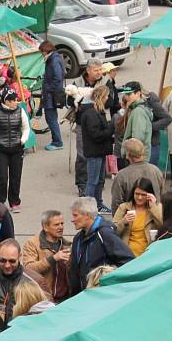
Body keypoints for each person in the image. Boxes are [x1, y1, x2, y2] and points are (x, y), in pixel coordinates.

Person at [69, 196, 135, 295]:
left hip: (103, 296)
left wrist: (108, 281)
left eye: (75, 215)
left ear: (87, 215)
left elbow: (129, 261)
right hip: (83, 297)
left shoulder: (105, 234)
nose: (72, 220)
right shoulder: (78, 239)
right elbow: (74, 272)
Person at [0, 239, 50, 322]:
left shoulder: (36, 280)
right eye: (3, 260)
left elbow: (48, 311)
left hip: (23, 330)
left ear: (20, 256)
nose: (7, 265)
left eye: (12, 261)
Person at [69, 58, 108, 196]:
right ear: (88, 70)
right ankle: (82, 184)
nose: (99, 73)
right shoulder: (77, 83)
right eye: (96, 70)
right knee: (82, 154)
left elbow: (112, 100)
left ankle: (98, 184)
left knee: (100, 154)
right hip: (82, 123)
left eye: (100, 69)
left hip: (100, 122)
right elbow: (68, 101)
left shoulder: (105, 82)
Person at [0, 88, 29, 211]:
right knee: (2, 177)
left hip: (17, 148)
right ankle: (0, 201)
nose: (15, 102)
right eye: (12, 100)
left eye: (16, 100)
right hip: (1, 149)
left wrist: (22, 140)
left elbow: (26, 128)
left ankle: (14, 201)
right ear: (5, 101)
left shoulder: (21, 111)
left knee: (16, 176)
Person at [22, 210, 72, 303]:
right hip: (42, 300)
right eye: (56, 225)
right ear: (45, 227)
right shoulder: (32, 244)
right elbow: (28, 269)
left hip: (64, 299)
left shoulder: (67, 245)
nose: (61, 227)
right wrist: (53, 259)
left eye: (62, 223)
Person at [79, 85, 114, 213]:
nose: (108, 98)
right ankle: (87, 207)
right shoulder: (91, 113)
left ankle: (98, 203)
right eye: (107, 96)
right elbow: (95, 134)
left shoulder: (97, 111)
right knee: (93, 181)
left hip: (100, 151)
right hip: (94, 152)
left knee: (99, 180)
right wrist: (110, 130)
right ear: (102, 97)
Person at [112, 178, 163, 257]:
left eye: (143, 195)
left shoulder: (156, 207)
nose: (139, 197)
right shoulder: (124, 207)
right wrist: (123, 222)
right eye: (137, 194)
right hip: (126, 253)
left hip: (148, 253)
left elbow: (162, 226)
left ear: (149, 195)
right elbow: (112, 232)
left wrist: (153, 207)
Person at [111, 138, 164, 214]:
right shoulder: (156, 171)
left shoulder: (121, 175)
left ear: (128, 154)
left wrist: (119, 222)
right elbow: (160, 196)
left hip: (132, 220)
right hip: (154, 217)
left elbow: (116, 203)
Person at [39, 40, 66, 151]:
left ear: (46, 51)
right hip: (51, 93)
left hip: (51, 95)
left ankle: (57, 142)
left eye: (42, 52)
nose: (41, 54)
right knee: (51, 118)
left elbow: (57, 78)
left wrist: (47, 88)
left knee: (51, 118)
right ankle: (56, 140)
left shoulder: (53, 60)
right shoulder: (54, 58)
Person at [118, 81, 153, 161]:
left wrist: (131, 156)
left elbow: (138, 137)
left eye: (129, 94)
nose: (126, 97)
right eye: (125, 94)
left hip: (136, 157)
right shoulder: (138, 108)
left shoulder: (138, 111)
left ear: (138, 93)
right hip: (138, 156)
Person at [144, 85, 172, 167]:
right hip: (142, 144)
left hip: (152, 143)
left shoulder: (153, 104)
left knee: (150, 173)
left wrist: (150, 127)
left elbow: (167, 119)